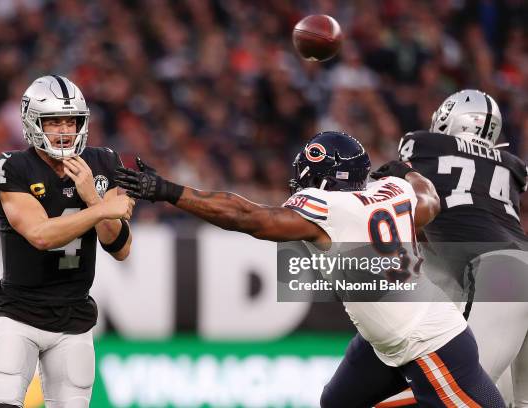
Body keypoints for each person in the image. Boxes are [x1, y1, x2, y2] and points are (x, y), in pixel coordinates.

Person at [117, 131, 505, 407]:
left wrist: (167, 190)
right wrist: (405, 171)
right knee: (337, 402)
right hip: (386, 341)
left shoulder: (329, 208)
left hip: (429, 344)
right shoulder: (393, 191)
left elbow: (247, 217)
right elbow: (430, 199)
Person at [0, 75, 135, 407]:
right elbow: (40, 235)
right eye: (54, 122)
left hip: (74, 317)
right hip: (19, 314)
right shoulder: (13, 166)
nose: (65, 130)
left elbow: (121, 248)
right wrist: (100, 210)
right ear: (32, 122)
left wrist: (93, 200)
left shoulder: (103, 163)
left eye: (71, 120)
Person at [378, 89, 528, 406]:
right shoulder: (513, 166)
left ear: (449, 119)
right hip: (518, 266)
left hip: (500, 274)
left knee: (459, 395)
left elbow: (398, 196)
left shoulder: (425, 145)